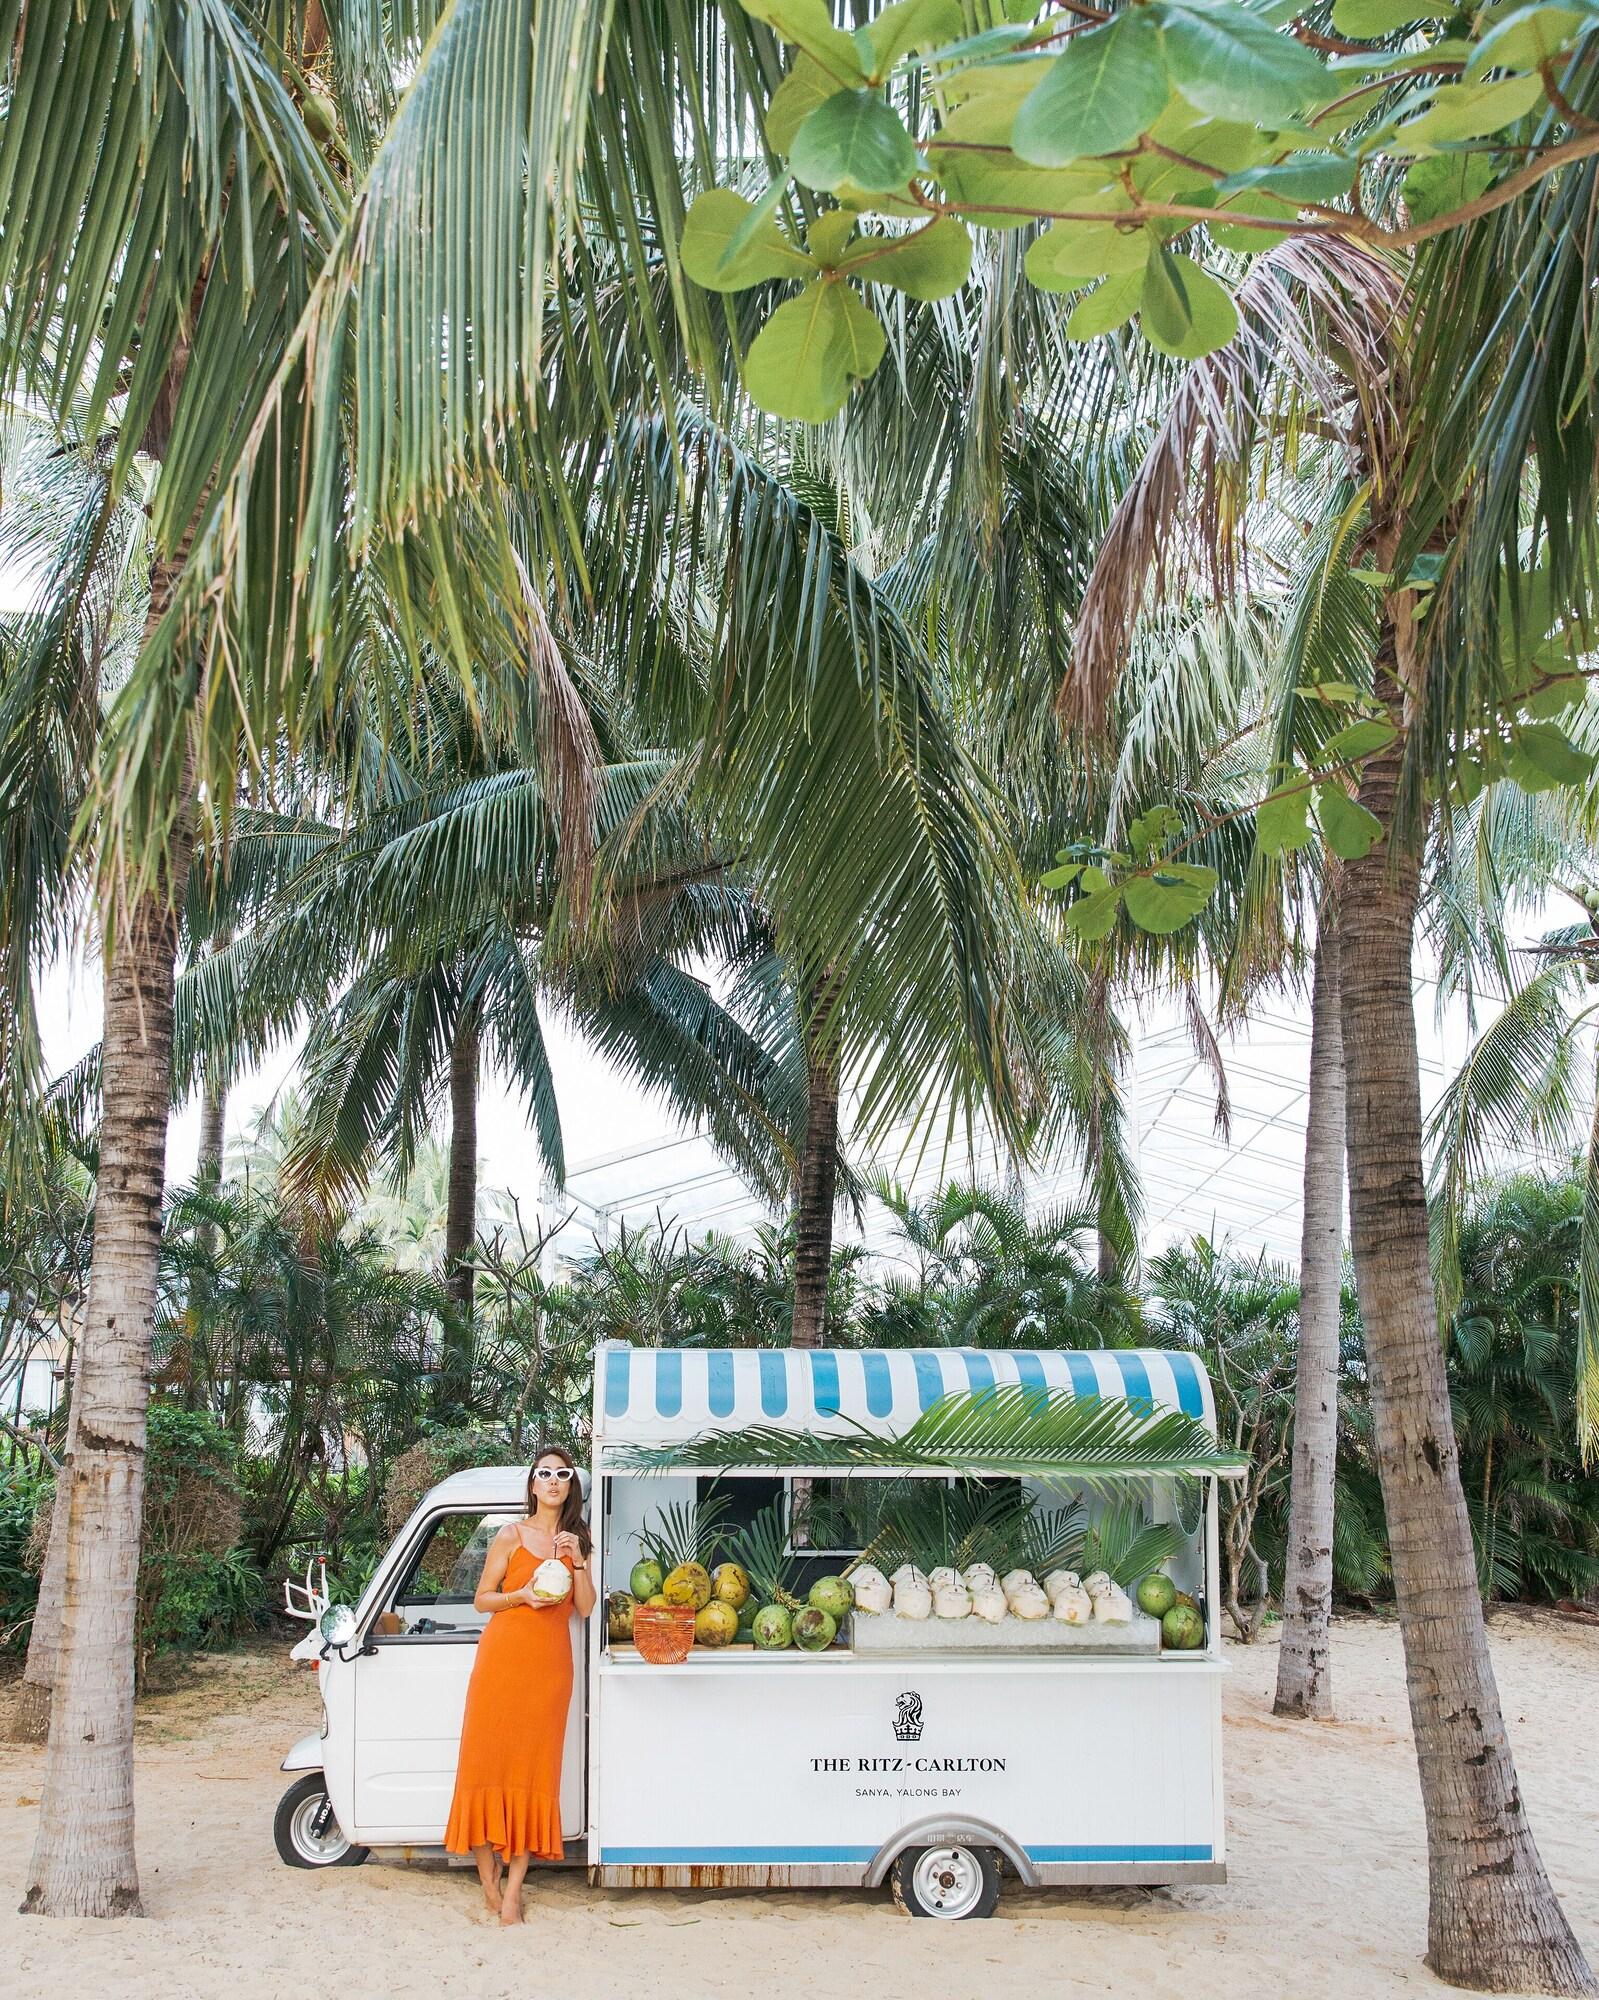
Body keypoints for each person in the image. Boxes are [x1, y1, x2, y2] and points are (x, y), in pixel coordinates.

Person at [444, 1445, 596, 1923]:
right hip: (501, 1664)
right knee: (483, 1767)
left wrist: (578, 1562)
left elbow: (585, 1607)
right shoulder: (510, 1535)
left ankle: (513, 1890)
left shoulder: (578, 1541)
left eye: (562, 1474)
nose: (553, 1481)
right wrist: (523, 1596)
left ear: (570, 1487)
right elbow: (482, 1600)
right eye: (544, 1473)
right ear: (533, 1484)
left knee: (535, 1774)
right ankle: (487, 1877)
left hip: (549, 1672)